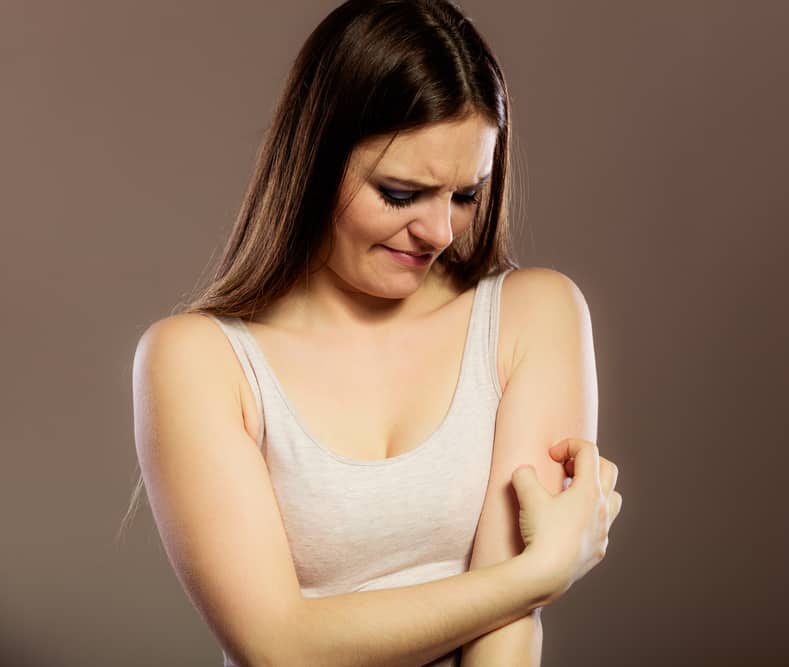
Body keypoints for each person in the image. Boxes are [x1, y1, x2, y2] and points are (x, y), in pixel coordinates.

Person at [122, 1, 623, 665]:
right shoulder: (195, 361)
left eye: (465, 195)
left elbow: (507, 635)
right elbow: (278, 647)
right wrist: (538, 574)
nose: (440, 232)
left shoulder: (534, 316)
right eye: (400, 192)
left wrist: (521, 587)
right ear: (315, 161)